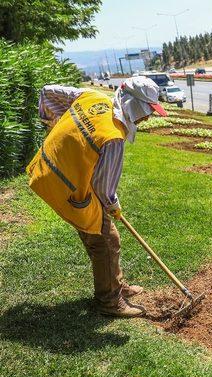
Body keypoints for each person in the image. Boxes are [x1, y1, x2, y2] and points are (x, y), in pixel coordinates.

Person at [26, 76, 168, 317]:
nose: (147, 117)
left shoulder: (92, 97)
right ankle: (110, 301)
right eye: (147, 110)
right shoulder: (112, 136)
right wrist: (114, 207)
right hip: (67, 184)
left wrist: (56, 126)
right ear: (134, 104)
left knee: (100, 238)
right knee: (106, 241)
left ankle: (113, 285)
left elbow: (48, 92)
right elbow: (104, 189)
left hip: (47, 170)